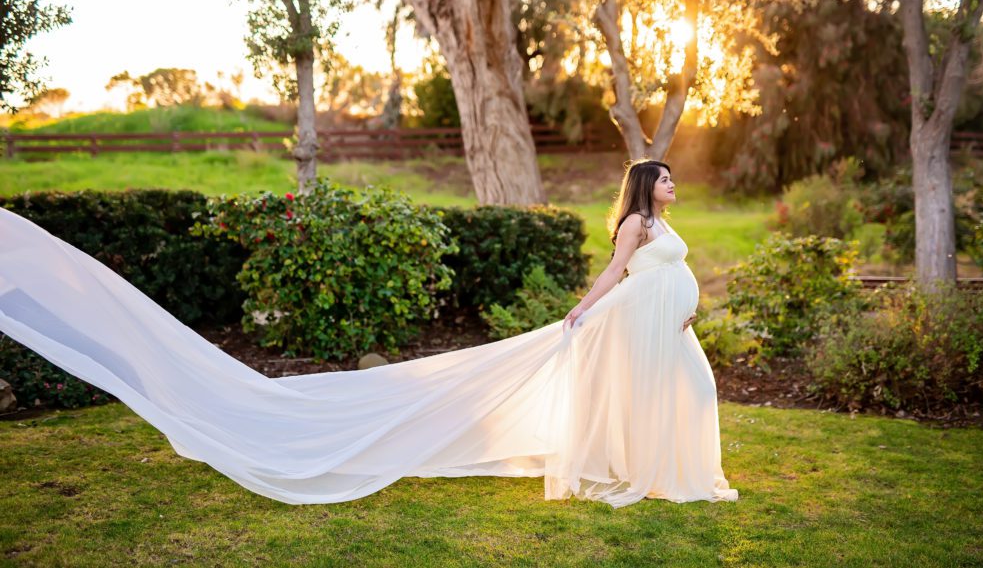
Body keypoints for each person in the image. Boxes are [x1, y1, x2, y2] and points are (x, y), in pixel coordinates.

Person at [0, 159, 737, 508]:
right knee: (686, 392)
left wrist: (687, 300)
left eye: (674, 176)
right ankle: (658, 470)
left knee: (690, 392)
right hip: (632, 324)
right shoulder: (637, 222)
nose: (674, 183)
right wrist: (579, 309)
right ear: (647, 188)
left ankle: (667, 465)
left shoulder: (664, 224)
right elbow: (615, 273)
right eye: (666, 178)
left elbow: (669, 272)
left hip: (665, 328)